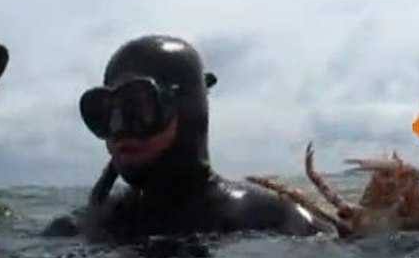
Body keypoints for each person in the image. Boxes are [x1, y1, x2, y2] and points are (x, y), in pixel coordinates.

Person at [43, 34, 333, 242]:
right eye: (105, 112)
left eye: (138, 107)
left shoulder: (271, 219)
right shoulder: (75, 230)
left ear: (187, 110)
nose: (120, 129)